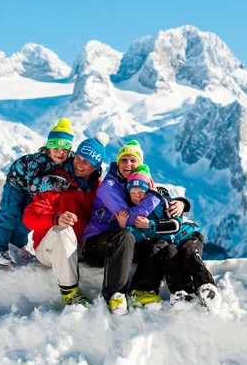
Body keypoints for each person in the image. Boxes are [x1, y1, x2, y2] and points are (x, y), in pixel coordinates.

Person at [81, 140, 185, 315]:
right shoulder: (110, 186)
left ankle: (141, 290)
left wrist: (181, 203)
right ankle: (114, 294)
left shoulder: (136, 183)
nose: (128, 164)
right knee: (125, 236)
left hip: (122, 244)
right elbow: (130, 219)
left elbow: (162, 198)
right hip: (95, 245)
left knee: (158, 243)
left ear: (140, 164)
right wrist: (152, 197)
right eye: (124, 160)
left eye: (132, 160)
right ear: (118, 162)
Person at [22, 131, 108, 307]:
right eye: (78, 157)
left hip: (79, 247)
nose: (79, 163)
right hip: (49, 249)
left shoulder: (98, 188)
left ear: (95, 166)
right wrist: (55, 218)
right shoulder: (57, 181)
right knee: (63, 230)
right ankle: (70, 292)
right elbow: (29, 216)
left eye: (86, 161)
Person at [124, 165, 221, 311]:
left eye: (141, 192)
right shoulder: (137, 214)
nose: (137, 196)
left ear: (148, 192)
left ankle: (207, 286)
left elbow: (175, 225)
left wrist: (149, 224)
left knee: (188, 253)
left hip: (187, 234)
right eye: (133, 193)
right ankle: (181, 292)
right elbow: (136, 235)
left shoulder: (162, 203)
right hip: (171, 243)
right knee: (170, 256)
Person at [0, 118, 75, 267]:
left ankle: (17, 247)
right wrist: (54, 181)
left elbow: (81, 162)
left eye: (64, 150)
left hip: (32, 192)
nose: (60, 153)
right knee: (10, 215)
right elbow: (33, 185)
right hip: (17, 185)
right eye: (56, 149)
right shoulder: (39, 161)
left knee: (26, 220)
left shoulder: (69, 159)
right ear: (48, 148)